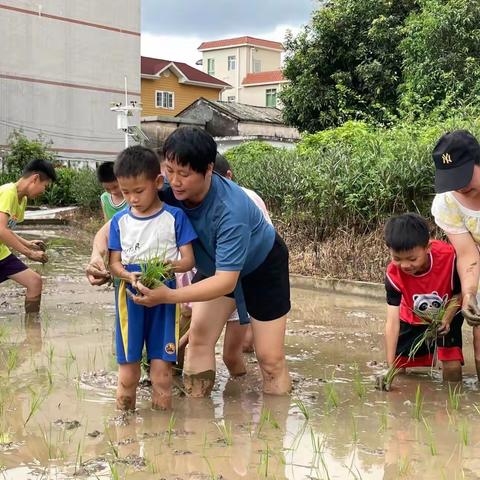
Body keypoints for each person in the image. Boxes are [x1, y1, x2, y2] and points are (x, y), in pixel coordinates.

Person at [87, 127, 291, 397]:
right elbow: (116, 225)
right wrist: (96, 256)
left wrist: (169, 295)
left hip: (261, 265)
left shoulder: (232, 210)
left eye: (184, 174)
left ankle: (274, 432)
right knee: (198, 339)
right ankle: (197, 424)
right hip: (213, 266)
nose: (175, 180)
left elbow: (226, 281)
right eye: (170, 170)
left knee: (269, 359)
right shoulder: (167, 188)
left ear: (208, 170)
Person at [107, 145, 197, 410]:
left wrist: (173, 266)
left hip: (165, 297)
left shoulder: (174, 216)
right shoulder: (119, 222)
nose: (132, 199)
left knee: (162, 375)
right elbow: (114, 264)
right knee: (127, 374)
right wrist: (127, 274)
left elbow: (189, 260)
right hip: (130, 297)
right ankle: (124, 430)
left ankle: (162, 437)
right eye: (125, 193)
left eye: (139, 191)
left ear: (158, 182)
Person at [383, 213, 463, 383]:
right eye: (397, 258)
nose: (404, 265)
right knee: (400, 368)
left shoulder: (450, 257)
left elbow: (459, 293)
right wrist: (390, 368)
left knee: (452, 365)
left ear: (428, 248)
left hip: (448, 311)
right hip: (412, 317)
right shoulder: (392, 275)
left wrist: (447, 318)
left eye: (412, 259)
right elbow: (392, 322)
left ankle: (452, 405)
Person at [213, 153, 273, 375]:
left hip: (245, 277)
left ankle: (245, 389)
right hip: (220, 278)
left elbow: (265, 240)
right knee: (233, 349)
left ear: (229, 176)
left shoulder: (246, 198)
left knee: (239, 349)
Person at [431, 130, 480, 380]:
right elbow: (468, 255)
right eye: (453, 179)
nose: (460, 186)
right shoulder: (448, 203)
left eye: (464, 176)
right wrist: (469, 293)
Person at [0, 159, 55, 317]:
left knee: (34, 282)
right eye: (45, 186)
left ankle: (32, 330)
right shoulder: (7, 192)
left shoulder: (21, 200)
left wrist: (28, 244)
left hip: (2, 253)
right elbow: (1, 229)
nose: (44, 191)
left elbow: (6, 230)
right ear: (35, 178)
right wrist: (29, 253)